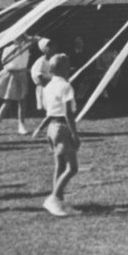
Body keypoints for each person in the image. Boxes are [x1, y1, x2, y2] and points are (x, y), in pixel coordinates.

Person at [30, 53, 80, 217]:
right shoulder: (65, 86)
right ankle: (53, 199)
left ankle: (59, 200)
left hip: (52, 128)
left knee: (60, 165)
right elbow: (68, 114)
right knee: (72, 168)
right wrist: (75, 134)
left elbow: (50, 112)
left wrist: (41, 128)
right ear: (64, 69)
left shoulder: (48, 87)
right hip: (62, 128)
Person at [0, 35, 34, 136]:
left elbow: (36, 38)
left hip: (22, 75)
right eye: (17, 38)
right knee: (7, 101)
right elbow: (4, 62)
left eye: (21, 38)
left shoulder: (27, 47)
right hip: (11, 75)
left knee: (22, 101)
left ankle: (21, 126)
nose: (19, 40)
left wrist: (26, 37)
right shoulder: (8, 49)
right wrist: (15, 50)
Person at [30, 38, 55, 111]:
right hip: (44, 86)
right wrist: (46, 84)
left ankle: (55, 119)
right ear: (45, 49)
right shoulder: (41, 61)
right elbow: (39, 75)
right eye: (51, 47)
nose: (53, 49)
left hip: (51, 85)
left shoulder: (53, 60)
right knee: (47, 105)